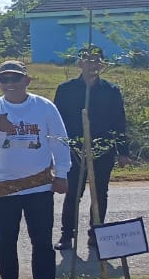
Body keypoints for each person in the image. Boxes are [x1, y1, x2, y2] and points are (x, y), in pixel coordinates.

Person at [0, 60, 71, 279]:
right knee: (5, 238)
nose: (10, 84)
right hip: (2, 186)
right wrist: (0, 130)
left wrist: (62, 173)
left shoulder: (44, 107)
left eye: (15, 78)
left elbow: (59, 141)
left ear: (27, 81)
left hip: (38, 185)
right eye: (4, 79)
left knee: (41, 240)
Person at [54, 47, 132, 250]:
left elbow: (119, 121)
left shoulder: (111, 90)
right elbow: (56, 123)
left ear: (102, 65)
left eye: (97, 61)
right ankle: (67, 235)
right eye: (88, 60)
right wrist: (55, 151)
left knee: (100, 193)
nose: (93, 65)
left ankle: (96, 233)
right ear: (80, 63)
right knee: (73, 194)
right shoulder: (66, 90)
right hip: (75, 150)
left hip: (103, 149)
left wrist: (123, 151)